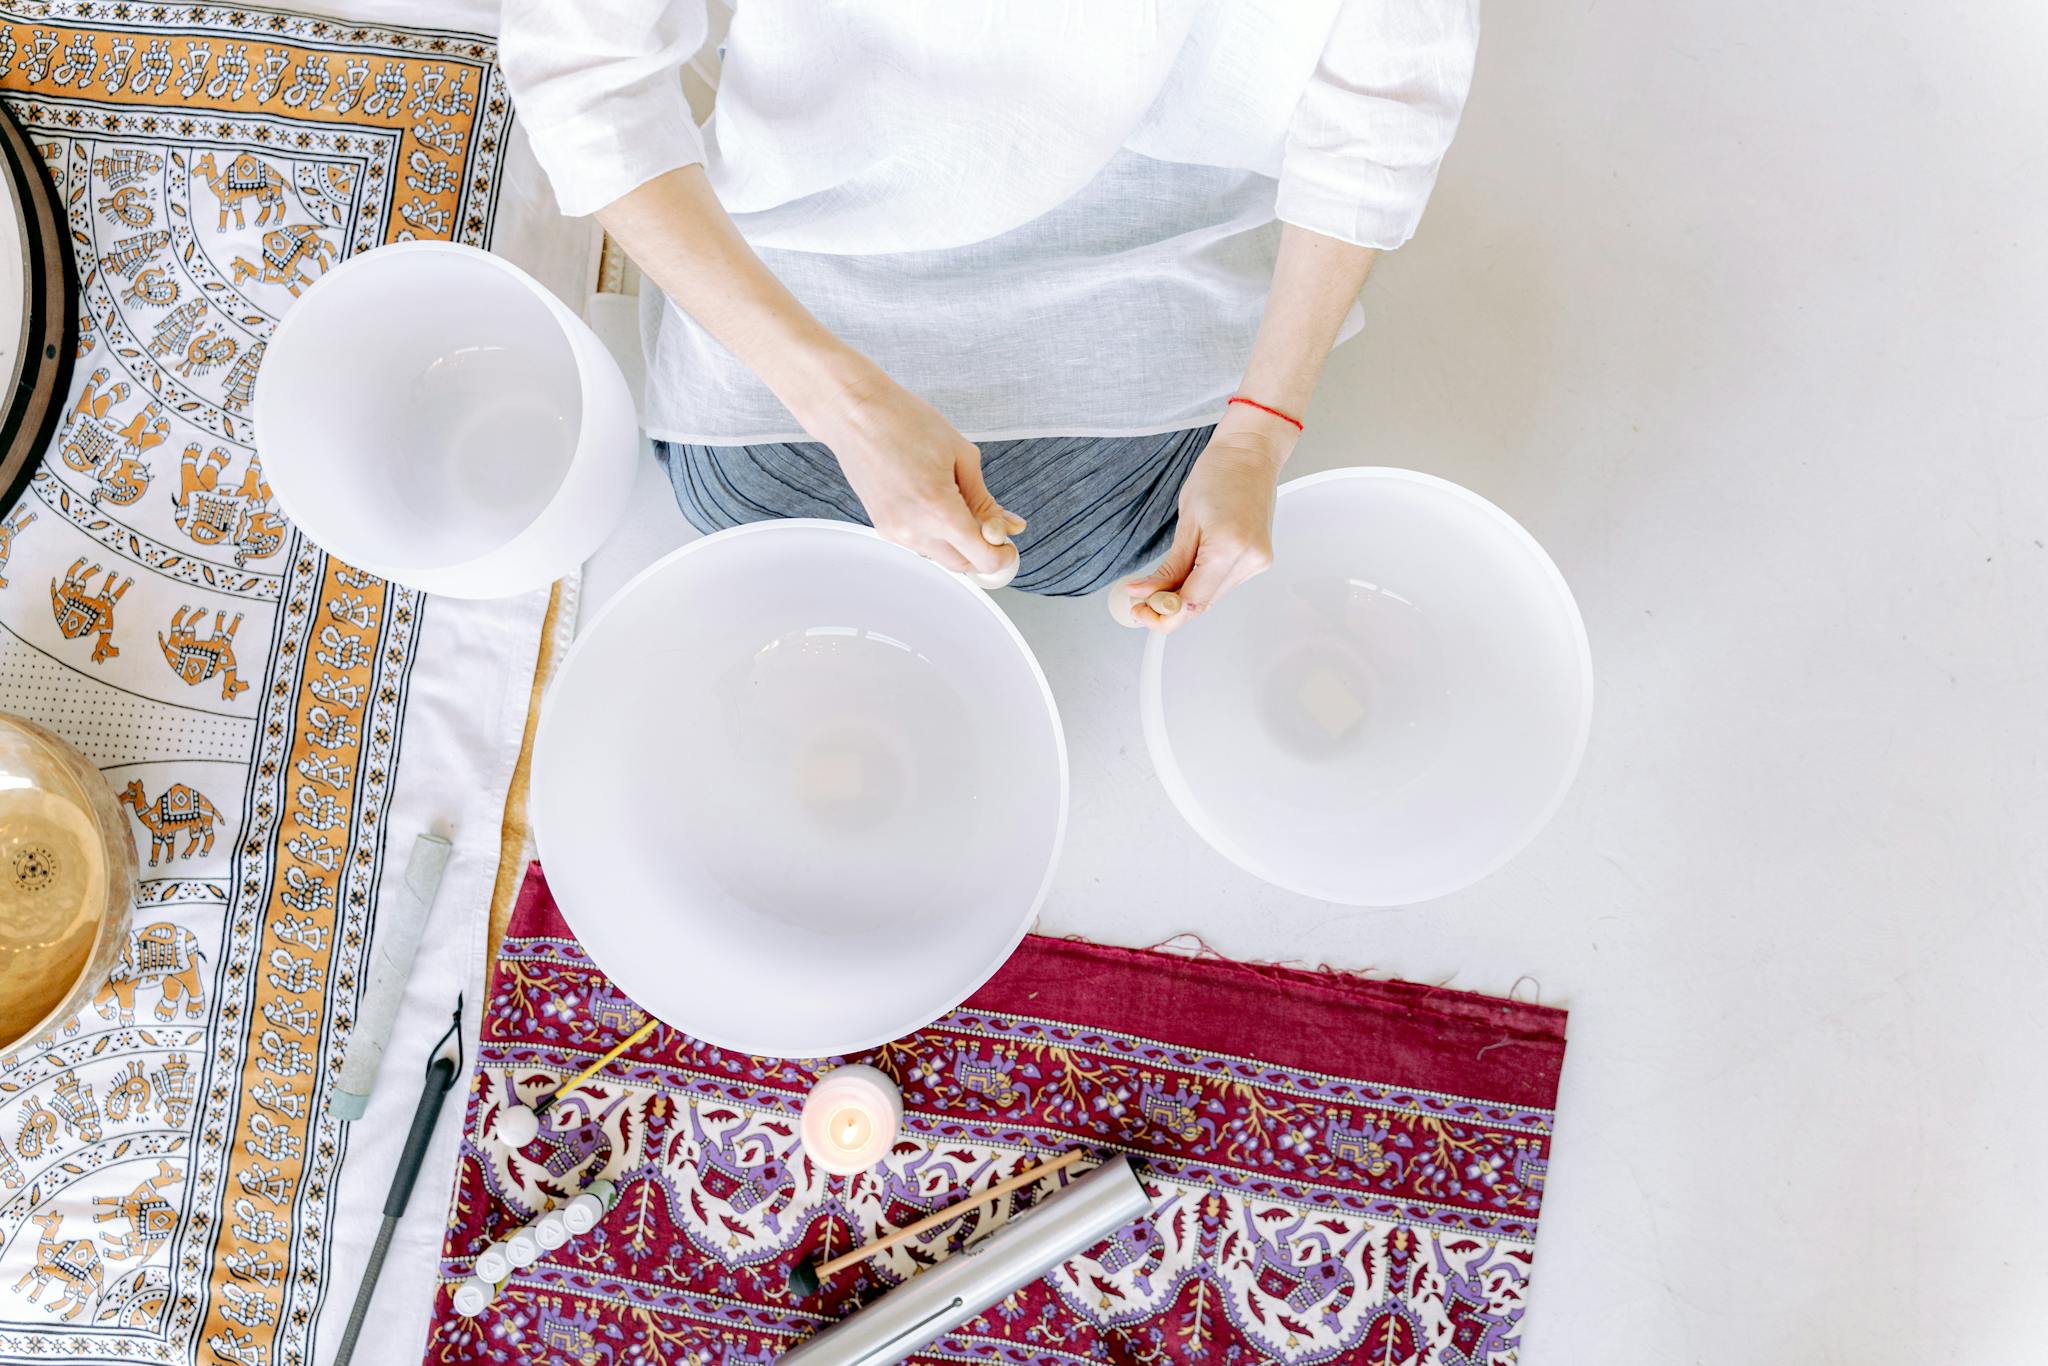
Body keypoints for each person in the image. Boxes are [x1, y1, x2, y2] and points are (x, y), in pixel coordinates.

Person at [502, 1, 1479, 629]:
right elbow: (586, 76)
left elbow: (1381, 105)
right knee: (750, 509)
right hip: (820, 220)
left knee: (1112, 536)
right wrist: (843, 403)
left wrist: (1259, 433)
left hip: (1150, 222)